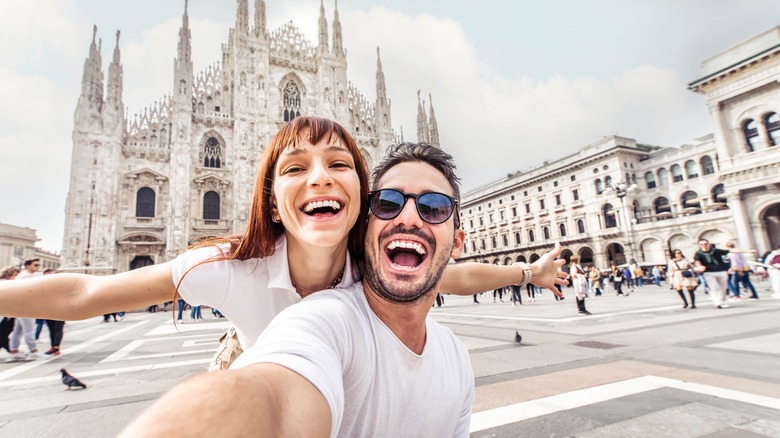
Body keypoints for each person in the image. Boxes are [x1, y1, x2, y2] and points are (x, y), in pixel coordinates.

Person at [0, 117, 566, 366]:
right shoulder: (231, 267)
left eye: (339, 164)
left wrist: (528, 274)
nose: (319, 176)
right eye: (295, 168)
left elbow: (454, 275)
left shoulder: (368, 262)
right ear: (271, 201)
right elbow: (85, 295)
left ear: (363, 198)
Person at [121, 142, 565, 437]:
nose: (409, 217)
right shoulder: (320, 317)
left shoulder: (453, 357)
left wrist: (530, 273)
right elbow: (267, 397)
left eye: (433, 207)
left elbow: (461, 277)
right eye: (388, 202)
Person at [6, 259, 44, 362]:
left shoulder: (22, 276)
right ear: (28, 266)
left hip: (20, 306)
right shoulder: (27, 276)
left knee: (18, 330)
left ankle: (14, 351)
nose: (38, 267)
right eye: (35, 265)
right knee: (29, 329)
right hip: (26, 307)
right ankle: (34, 351)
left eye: (38, 265)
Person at [693, 239, 732, 309]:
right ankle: (717, 303)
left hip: (721, 271)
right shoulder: (698, 253)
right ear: (699, 245)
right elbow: (697, 261)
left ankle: (722, 300)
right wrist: (700, 266)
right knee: (714, 287)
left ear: (709, 244)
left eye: (705, 244)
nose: (704, 245)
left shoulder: (716, 250)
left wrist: (746, 251)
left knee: (723, 287)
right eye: (702, 244)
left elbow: (729, 251)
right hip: (708, 272)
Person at [0, 266, 21, 355]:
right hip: (5, 314)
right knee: (3, 334)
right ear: (9, 275)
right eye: (15, 275)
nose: (17, 278)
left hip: (7, 314)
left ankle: (11, 350)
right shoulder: (7, 284)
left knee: (4, 333)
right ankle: (12, 351)